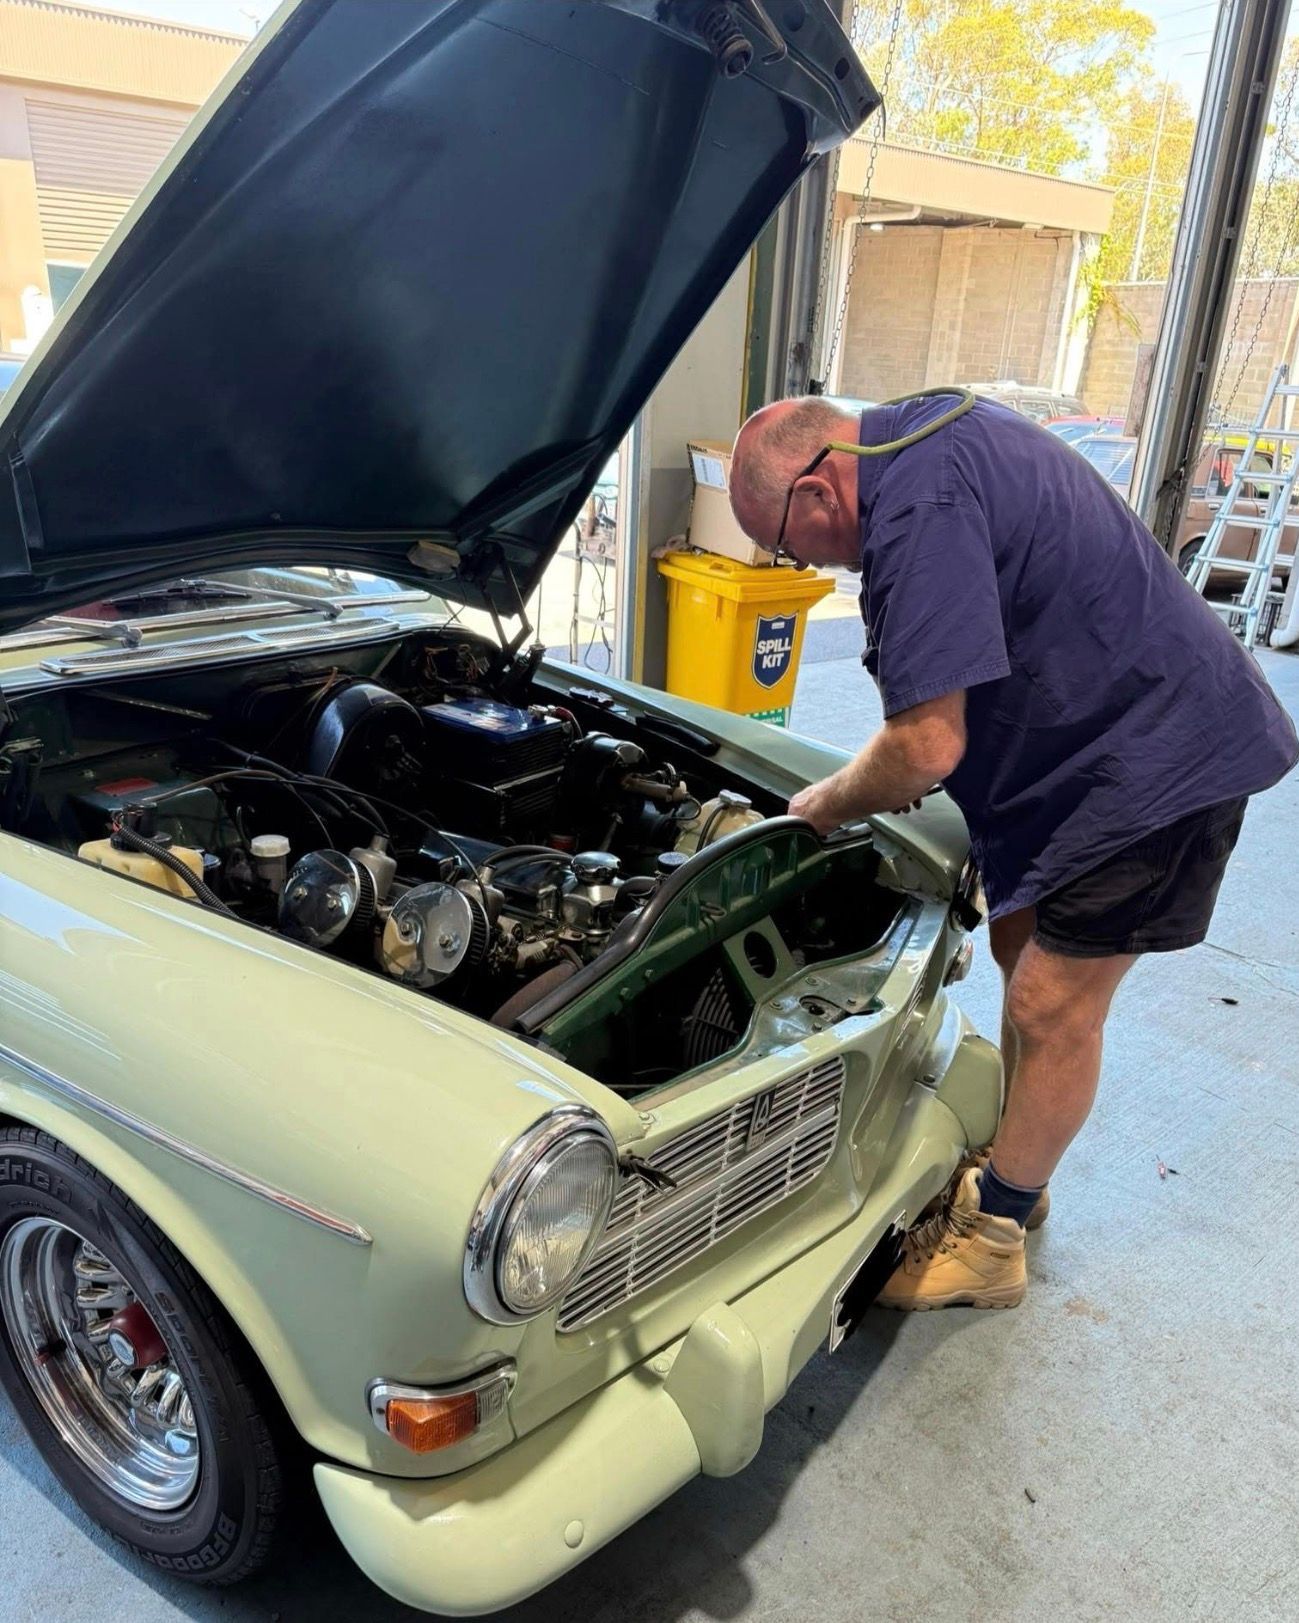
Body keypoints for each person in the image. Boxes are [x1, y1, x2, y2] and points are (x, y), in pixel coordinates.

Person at [727, 392, 1299, 1310]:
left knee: (1051, 1003)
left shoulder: (914, 509)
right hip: (1082, 745)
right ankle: (1011, 1166)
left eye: (790, 544)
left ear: (820, 487)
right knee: (1013, 942)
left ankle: (994, 1237)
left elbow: (923, 746)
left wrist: (822, 806)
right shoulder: (926, 438)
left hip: (1152, 762)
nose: (805, 562)